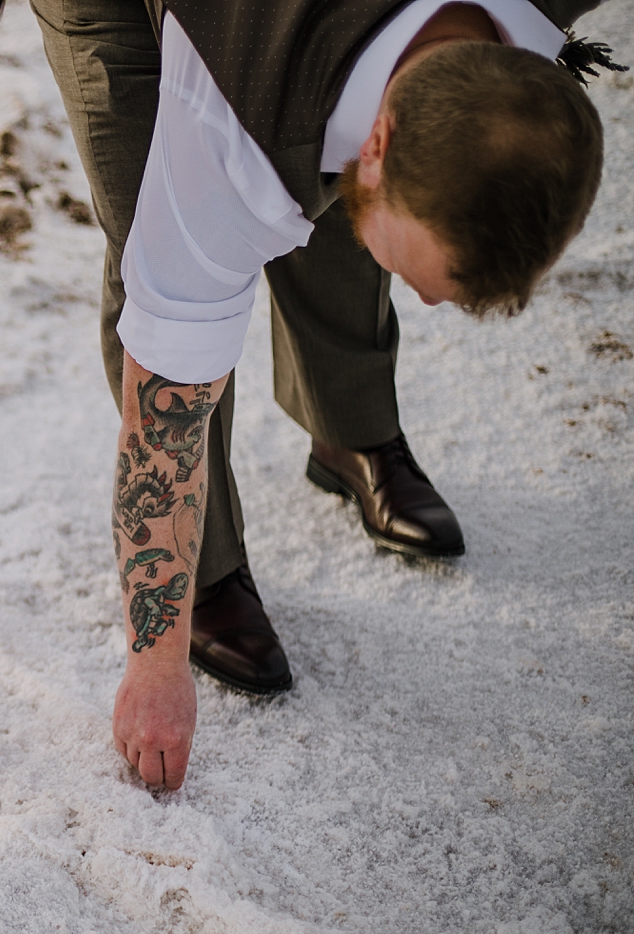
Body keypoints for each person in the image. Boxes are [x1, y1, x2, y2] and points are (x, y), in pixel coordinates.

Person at [30, 0, 607, 788]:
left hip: (308, 60)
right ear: (378, 142)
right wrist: (155, 669)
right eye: (431, 279)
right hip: (167, 29)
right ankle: (203, 575)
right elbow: (161, 428)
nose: (434, 304)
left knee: (357, 211)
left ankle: (348, 428)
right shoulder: (225, 152)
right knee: (155, 245)